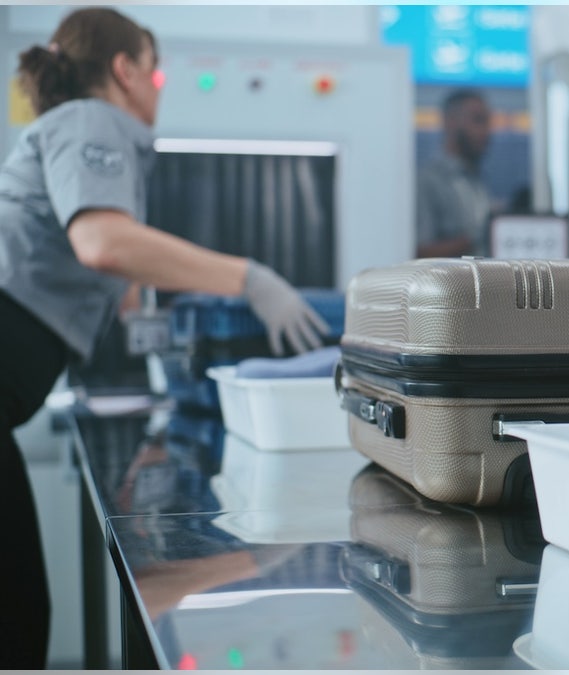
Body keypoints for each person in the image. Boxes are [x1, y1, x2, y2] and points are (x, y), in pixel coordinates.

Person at [1, 8, 328, 666]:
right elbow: (100, 241)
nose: (158, 85)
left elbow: (102, 256)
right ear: (124, 70)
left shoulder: (70, 131)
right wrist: (250, 277)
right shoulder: (95, 120)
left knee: (21, 613)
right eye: (155, 69)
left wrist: (134, 311)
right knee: (16, 618)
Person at [415, 88, 493, 258]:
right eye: (478, 120)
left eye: (487, 122)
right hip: (450, 283)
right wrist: (482, 234)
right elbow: (420, 251)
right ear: (450, 122)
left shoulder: (476, 180)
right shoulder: (428, 181)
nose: (486, 131)